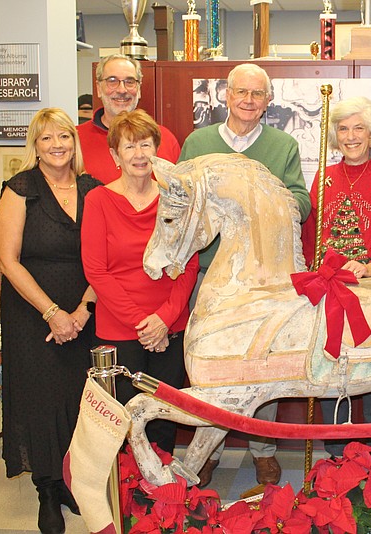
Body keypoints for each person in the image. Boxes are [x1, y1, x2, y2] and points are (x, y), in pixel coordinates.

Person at [180, 63, 311, 487]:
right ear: (226, 95)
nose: (249, 101)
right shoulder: (198, 142)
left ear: (268, 100)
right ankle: (210, 447)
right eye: (241, 92)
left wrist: (270, 203)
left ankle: (264, 450)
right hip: (210, 275)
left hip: (263, 280)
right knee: (210, 367)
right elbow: (182, 196)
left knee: (262, 366)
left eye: (258, 94)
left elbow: (301, 201)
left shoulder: (283, 145)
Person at [0, 108, 101, 534]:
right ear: (34, 146)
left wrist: (82, 310)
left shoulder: (93, 189)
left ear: (74, 144)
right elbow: (7, 259)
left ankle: (71, 480)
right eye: (46, 139)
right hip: (32, 312)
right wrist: (53, 313)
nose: (57, 145)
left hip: (86, 309)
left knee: (80, 398)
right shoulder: (20, 190)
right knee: (41, 399)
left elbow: (106, 258)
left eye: (64, 137)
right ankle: (46, 488)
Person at [301, 96, 371, 461]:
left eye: (358, 128)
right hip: (329, 289)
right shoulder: (323, 177)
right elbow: (310, 235)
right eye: (343, 129)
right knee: (331, 372)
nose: (351, 137)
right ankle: (337, 459)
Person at [81, 109, 199, 455]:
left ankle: (162, 501)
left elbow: (188, 264)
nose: (139, 154)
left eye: (145, 145)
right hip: (120, 329)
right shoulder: (98, 200)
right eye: (129, 146)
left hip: (170, 326)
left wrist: (163, 319)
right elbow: (96, 271)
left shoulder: (176, 200)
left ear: (157, 151)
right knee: (123, 420)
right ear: (114, 155)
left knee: (164, 418)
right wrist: (142, 324)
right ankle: (130, 495)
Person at [77, 54, 180, 183]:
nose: (122, 90)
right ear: (98, 88)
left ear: (139, 88)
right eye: (112, 81)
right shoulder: (75, 140)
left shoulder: (165, 138)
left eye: (130, 82)